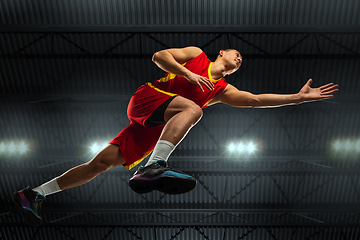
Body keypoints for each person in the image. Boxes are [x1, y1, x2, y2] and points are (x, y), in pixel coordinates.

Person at [13, 46, 339, 226]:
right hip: (149, 98)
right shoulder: (196, 55)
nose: (239, 59)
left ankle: (34, 193)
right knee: (195, 111)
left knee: (99, 164)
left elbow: (255, 100)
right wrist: (186, 73)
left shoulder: (222, 90)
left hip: (155, 124)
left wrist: (297, 98)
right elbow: (159, 57)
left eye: (241, 60)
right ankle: (154, 166)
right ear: (221, 52)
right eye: (235, 53)